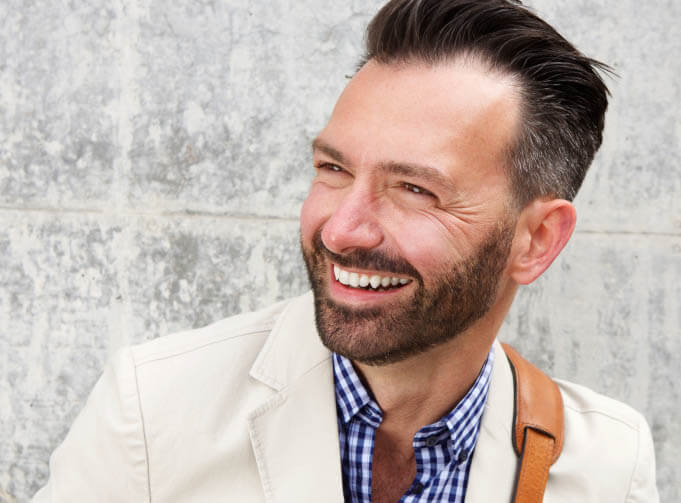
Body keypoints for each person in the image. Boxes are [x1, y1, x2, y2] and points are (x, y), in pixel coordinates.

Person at [33, 0, 659, 501]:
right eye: (332, 169)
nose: (341, 230)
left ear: (537, 239)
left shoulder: (608, 460)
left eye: (414, 189)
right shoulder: (152, 411)